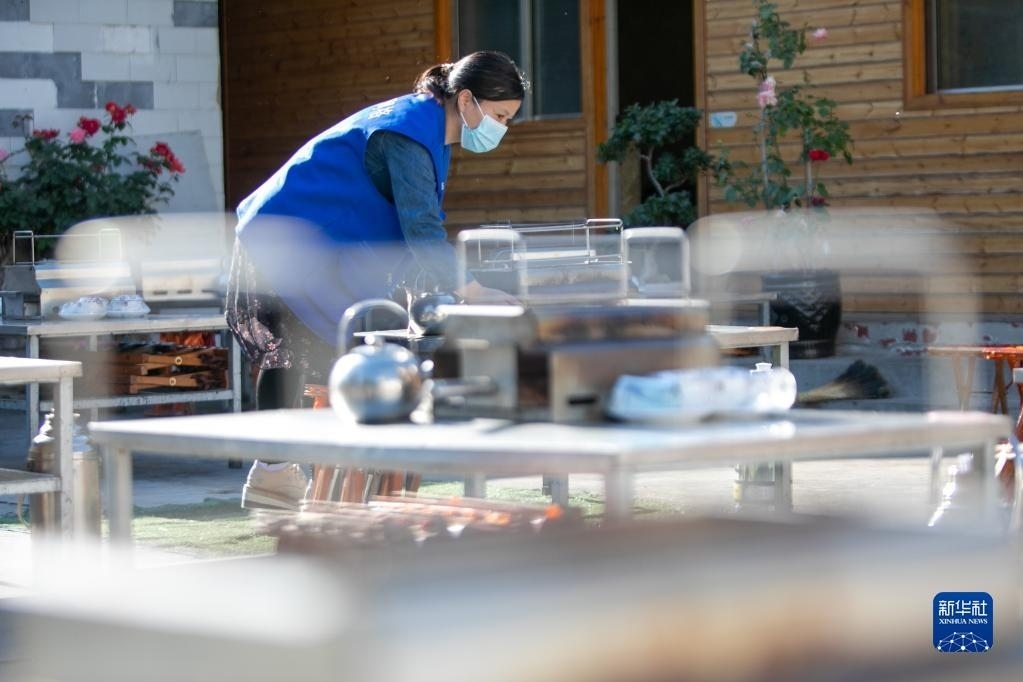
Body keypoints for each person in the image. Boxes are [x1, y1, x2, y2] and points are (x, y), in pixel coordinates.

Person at [226, 50, 528, 510]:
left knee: (316, 352)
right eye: (500, 116)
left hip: (319, 241)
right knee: (296, 352)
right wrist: (473, 291)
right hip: (286, 235)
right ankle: (274, 473)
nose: (502, 129)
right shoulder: (409, 132)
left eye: (508, 120)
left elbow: (409, 229)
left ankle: (281, 475)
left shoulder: (430, 127)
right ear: (467, 100)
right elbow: (422, 232)